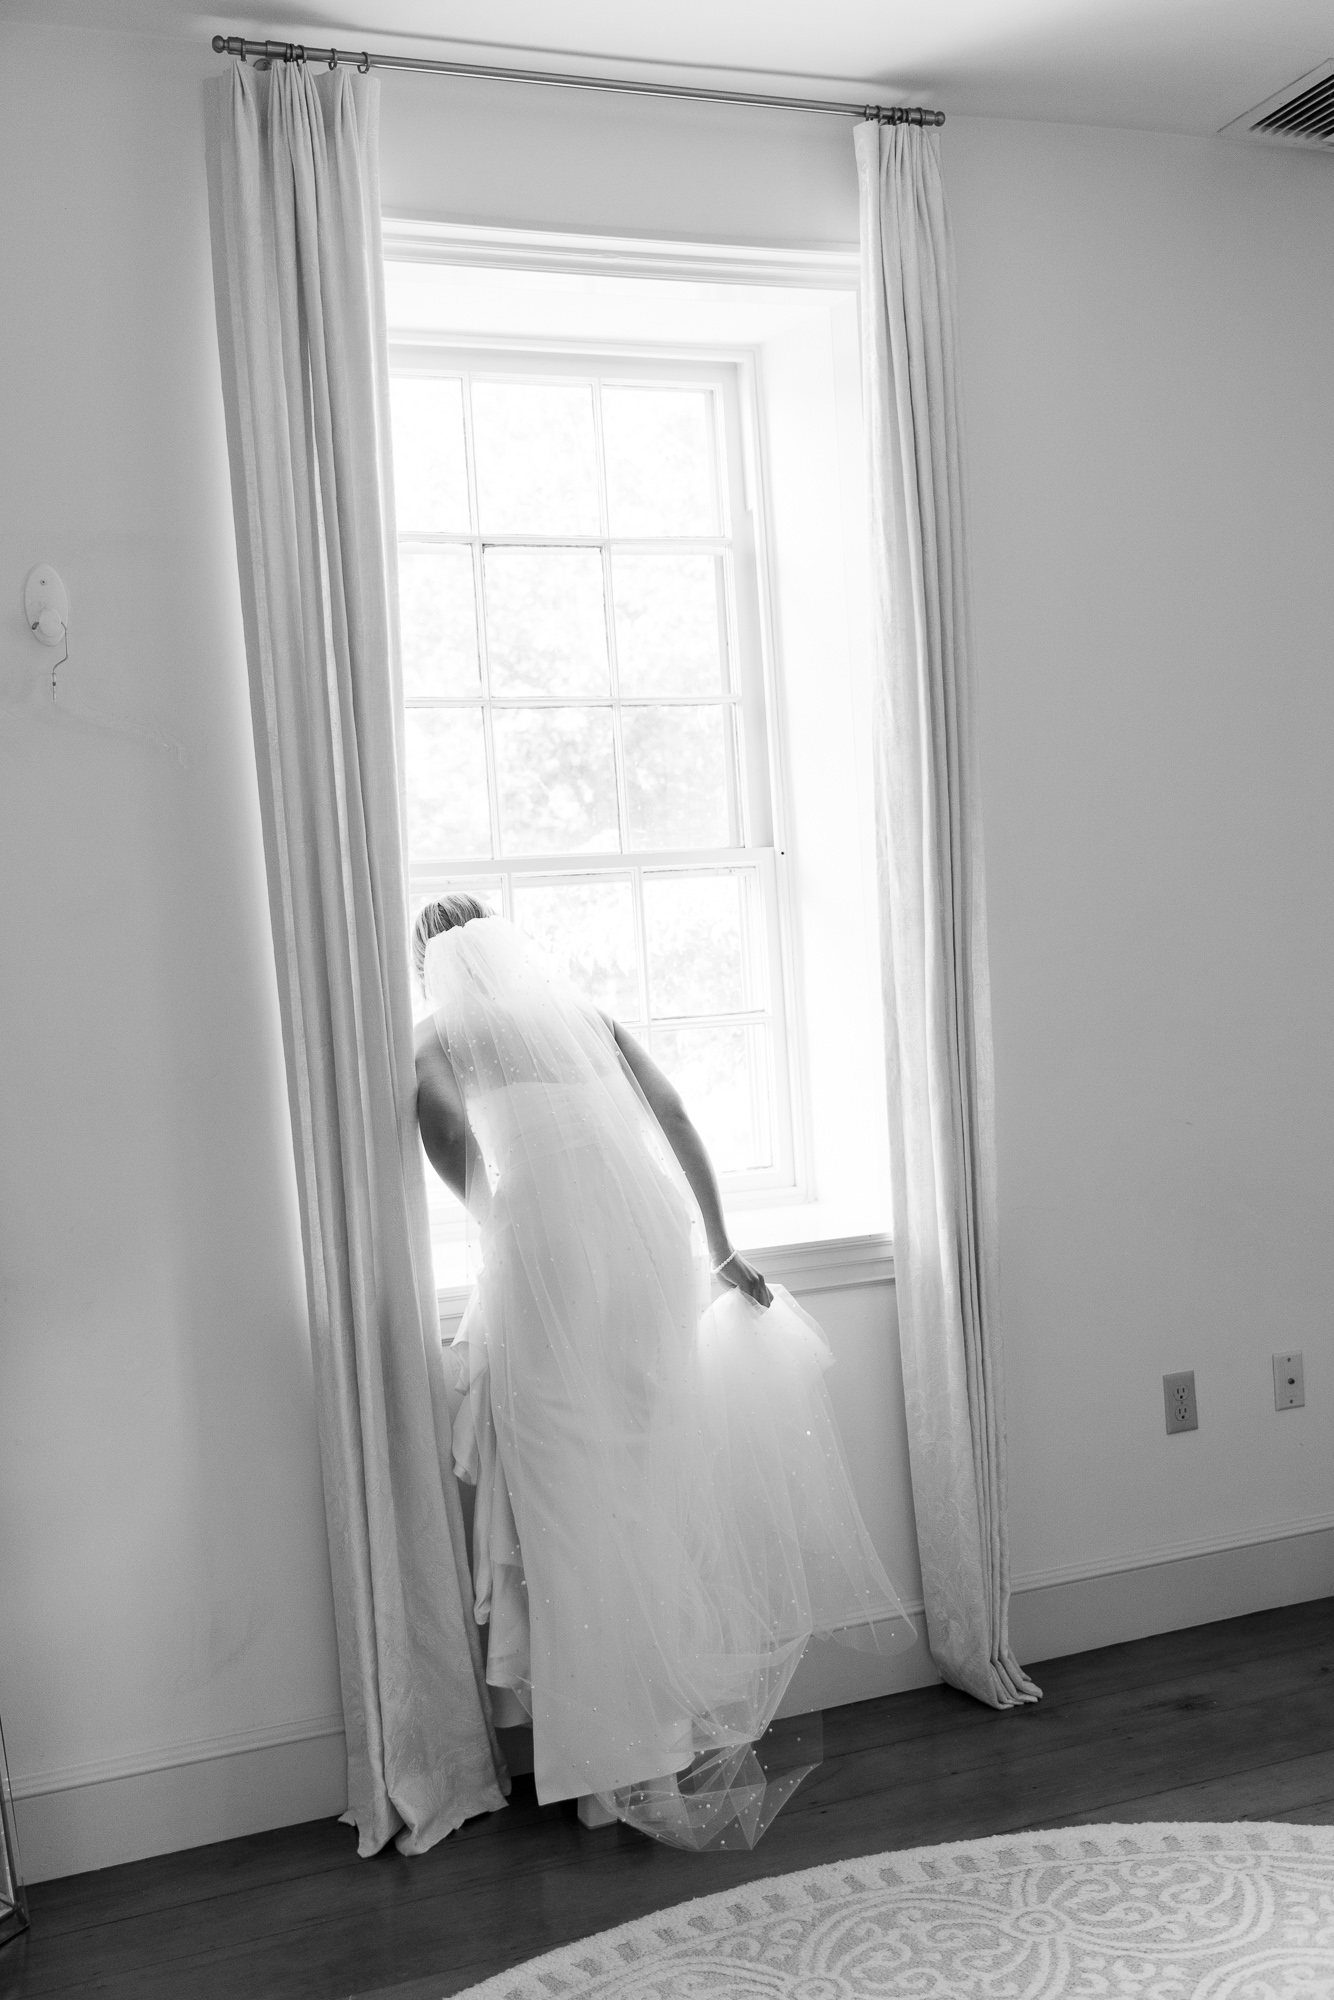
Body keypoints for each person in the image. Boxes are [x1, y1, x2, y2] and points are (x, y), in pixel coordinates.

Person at [414, 894, 913, 1848]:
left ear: (426, 964)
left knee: (571, 1501)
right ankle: (659, 1734)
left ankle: (610, 1769)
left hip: (552, 1249)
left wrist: (498, 1219)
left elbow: (441, 1124)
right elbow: (675, 1113)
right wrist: (722, 1248)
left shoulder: (442, 1034)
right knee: (646, 1486)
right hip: (645, 1239)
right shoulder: (583, 1019)